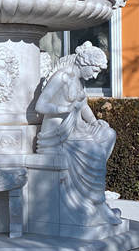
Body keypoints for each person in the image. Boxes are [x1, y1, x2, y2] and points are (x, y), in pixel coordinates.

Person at [35, 42, 120, 224]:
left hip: (75, 128)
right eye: (95, 70)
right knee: (94, 151)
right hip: (57, 133)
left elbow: (83, 106)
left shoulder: (79, 80)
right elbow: (40, 105)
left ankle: (90, 189)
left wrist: (95, 122)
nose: (95, 75)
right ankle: (94, 201)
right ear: (85, 63)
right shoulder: (62, 76)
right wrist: (63, 108)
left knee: (108, 134)